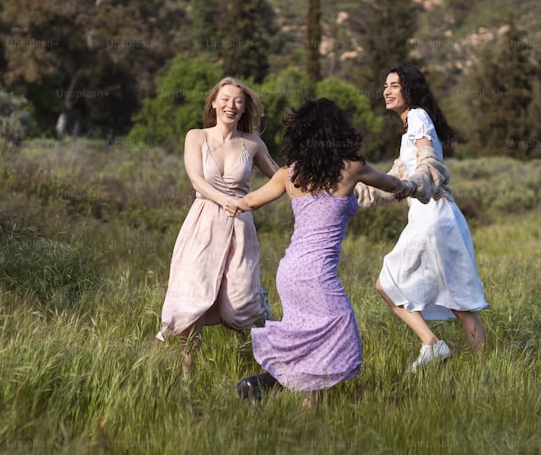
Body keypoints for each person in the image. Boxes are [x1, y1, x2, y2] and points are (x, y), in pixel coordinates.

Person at [225, 99, 415, 404]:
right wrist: (417, 184)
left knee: (311, 342)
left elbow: (248, 202)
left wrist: (219, 198)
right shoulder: (352, 168)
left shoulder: (289, 174)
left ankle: (301, 410)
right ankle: (263, 384)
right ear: (339, 131)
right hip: (317, 275)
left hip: (290, 273)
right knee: (342, 334)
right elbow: (393, 184)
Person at [156, 77, 279, 379]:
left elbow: (280, 178)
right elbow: (197, 180)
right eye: (225, 99)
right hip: (203, 223)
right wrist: (226, 200)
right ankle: (188, 372)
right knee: (194, 294)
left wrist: (250, 202)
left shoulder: (252, 143)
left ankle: (269, 363)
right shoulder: (196, 137)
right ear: (213, 103)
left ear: (244, 107)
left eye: (238, 101)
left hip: (239, 227)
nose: (231, 105)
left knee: (241, 302)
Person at [369, 64, 488, 372]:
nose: (387, 90)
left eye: (394, 85)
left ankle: (432, 344)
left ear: (410, 89)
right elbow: (396, 179)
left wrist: (418, 184)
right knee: (458, 302)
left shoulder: (419, 117)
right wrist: (354, 192)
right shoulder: (410, 127)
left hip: (432, 215)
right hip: (434, 217)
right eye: (385, 85)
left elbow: (428, 162)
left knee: (385, 283)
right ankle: (485, 370)